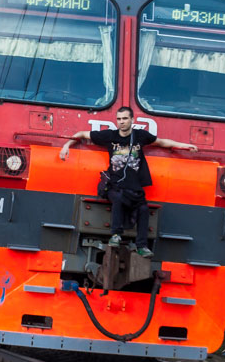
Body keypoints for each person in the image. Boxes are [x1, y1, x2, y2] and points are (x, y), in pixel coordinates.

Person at [59, 106, 198, 257]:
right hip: (114, 185)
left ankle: (142, 246)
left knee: (143, 209)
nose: (121, 122)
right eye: (119, 119)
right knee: (118, 198)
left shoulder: (140, 136)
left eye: (125, 119)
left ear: (132, 120)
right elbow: (82, 134)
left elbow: (162, 142)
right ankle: (116, 235)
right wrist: (66, 146)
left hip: (133, 187)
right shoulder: (110, 135)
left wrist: (184, 145)